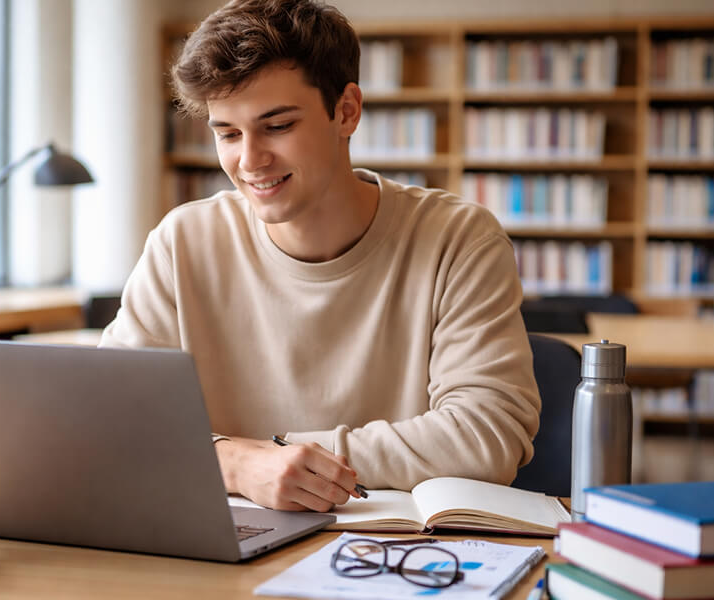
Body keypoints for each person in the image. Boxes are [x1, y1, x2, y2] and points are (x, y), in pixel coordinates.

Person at [100, 0, 540, 513]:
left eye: (278, 126)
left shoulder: (458, 239)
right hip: (228, 543)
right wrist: (237, 465)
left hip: (395, 550)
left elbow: (488, 434)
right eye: (228, 134)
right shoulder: (182, 241)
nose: (249, 160)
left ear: (346, 111)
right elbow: (112, 420)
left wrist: (285, 458)